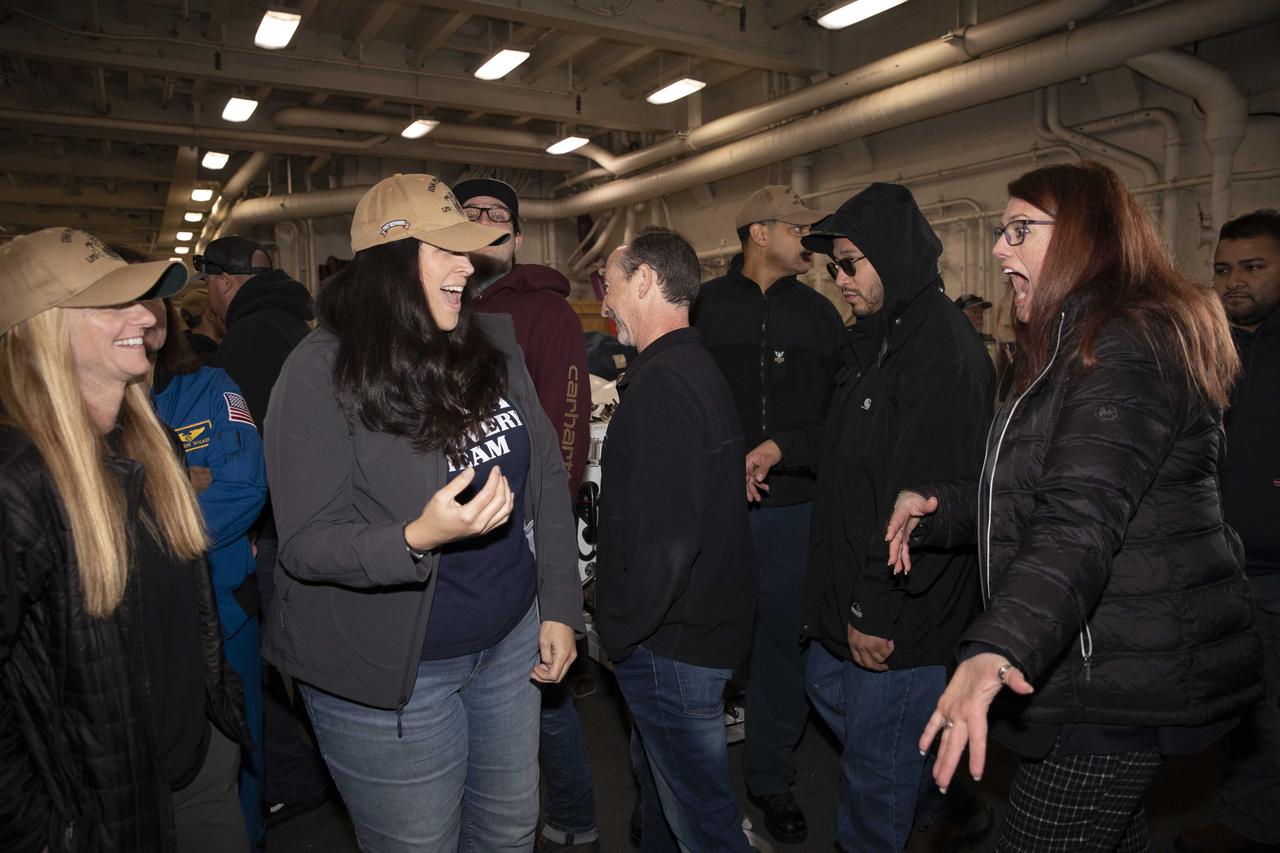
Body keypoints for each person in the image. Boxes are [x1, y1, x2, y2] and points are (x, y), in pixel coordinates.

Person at [888, 162, 1262, 852]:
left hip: (1116, 672)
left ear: (1085, 236)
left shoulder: (1125, 341)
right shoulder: (1071, 342)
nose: (998, 248)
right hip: (1099, 652)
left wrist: (998, 645)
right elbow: (1041, 486)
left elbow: (1079, 519)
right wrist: (940, 507)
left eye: (1019, 230)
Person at [262, 174, 584, 852]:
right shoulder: (319, 371)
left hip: (510, 645)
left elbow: (547, 480)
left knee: (509, 830)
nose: (468, 266)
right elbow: (306, 542)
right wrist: (415, 537)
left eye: (469, 249)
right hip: (393, 674)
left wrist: (558, 604)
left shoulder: (490, 344)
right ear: (390, 261)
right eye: (447, 249)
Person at [0, 227, 251, 851]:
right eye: (113, 304)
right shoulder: (16, 479)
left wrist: (217, 720)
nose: (145, 317)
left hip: (198, 766)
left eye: (141, 299)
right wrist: (40, 827)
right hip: (97, 807)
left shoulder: (152, 442)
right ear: (36, 330)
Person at [759, 183, 993, 852]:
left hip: (901, 607)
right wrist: (783, 448)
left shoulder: (941, 356)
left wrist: (874, 610)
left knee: (872, 787)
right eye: (833, 266)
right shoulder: (875, 339)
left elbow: (919, 505)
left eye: (850, 264)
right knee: (827, 685)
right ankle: (935, 785)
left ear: (892, 257)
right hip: (853, 587)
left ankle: (910, 793)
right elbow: (849, 440)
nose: (838, 278)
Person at [596, 227, 756, 853]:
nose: (605, 304)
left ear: (643, 280)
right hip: (688, 635)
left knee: (704, 824)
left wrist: (620, 630)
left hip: (670, 645)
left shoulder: (663, 386)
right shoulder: (691, 367)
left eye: (610, 287)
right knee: (663, 795)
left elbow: (667, 544)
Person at [692, 184, 842, 845]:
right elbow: (675, 403)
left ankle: (770, 775)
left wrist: (787, 448)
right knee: (699, 647)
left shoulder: (821, 316)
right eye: (799, 229)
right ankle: (678, 777)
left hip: (793, 510)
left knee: (784, 647)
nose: (811, 242)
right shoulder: (701, 308)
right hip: (713, 509)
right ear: (759, 232)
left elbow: (839, 420)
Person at [452, 177, 598, 853]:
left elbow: (567, 425)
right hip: (456, 529)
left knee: (538, 680)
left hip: (527, 523)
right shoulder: (439, 303)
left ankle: (573, 815)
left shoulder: (545, 312)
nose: (486, 220)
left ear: (516, 234)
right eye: (471, 212)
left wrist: (548, 522)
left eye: (499, 214)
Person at [197, 235, 326, 824]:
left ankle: (300, 774)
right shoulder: (300, 326)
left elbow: (244, 456)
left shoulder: (246, 341)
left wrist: (248, 524)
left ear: (223, 283)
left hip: (277, 527)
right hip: (317, 518)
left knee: (268, 662)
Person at [144, 296, 270, 850]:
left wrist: (145, 520)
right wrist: (188, 481)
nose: (141, 313)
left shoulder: (212, 387)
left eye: (153, 298)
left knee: (240, 766)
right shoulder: (86, 404)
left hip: (223, 612)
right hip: (136, 632)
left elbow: (243, 488)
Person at [1177, 209, 1280, 853]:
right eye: (1222, 268)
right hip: (1223, 565)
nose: (1234, 280)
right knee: (1249, 705)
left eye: (1253, 266)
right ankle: (1250, 818)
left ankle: (1253, 823)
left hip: (1276, 568)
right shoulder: (1211, 348)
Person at [178, 280, 225, 364]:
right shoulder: (213, 361)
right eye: (221, 310)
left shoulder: (178, 356)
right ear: (210, 314)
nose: (226, 316)